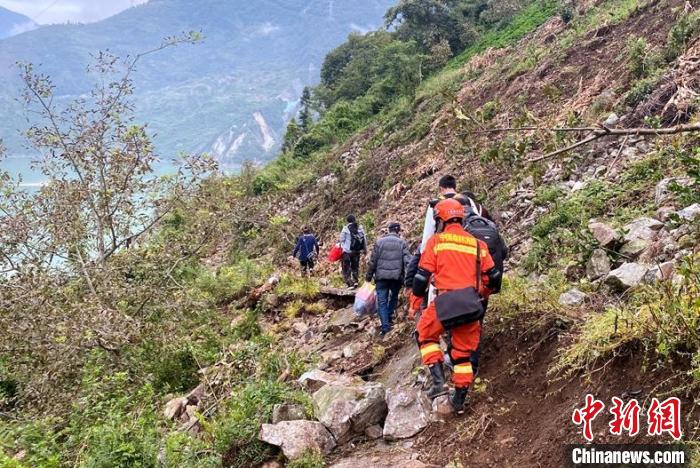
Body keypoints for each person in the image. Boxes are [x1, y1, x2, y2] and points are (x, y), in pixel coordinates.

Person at [412, 198, 501, 414]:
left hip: (445, 303)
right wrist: (482, 293)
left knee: (424, 335)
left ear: (440, 219)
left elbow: (421, 277)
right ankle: (459, 400)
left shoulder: (437, 242)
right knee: (462, 355)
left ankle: (439, 381)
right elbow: (494, 276)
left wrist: (415, 300)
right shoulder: (477, 244)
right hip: (471, 305)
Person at [365, 222, 411, 336]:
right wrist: (408, 279)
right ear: (398, 231)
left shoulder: (379, 242)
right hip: (396, 277)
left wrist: (368, 277)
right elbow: (407, 262)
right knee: (394, 296)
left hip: (381, 277)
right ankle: (389, 317)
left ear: (388, 230)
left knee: (382, 302)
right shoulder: (402, 243)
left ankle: (385, 326)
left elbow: (373, 261)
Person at [339, 214, 366, 287]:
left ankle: (349, 283)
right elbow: (364, 240)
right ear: (354, 220)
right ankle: (355, 281)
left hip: (347, 251)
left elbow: (341, 239)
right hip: (356, 251)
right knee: (355, 266)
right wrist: (364, 250)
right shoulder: (360, 228)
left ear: (347, 221)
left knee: (346, 267)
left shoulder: (345, 228)